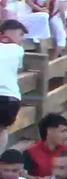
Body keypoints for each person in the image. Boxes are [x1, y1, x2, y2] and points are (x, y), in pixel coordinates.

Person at [0, 20, 27, 151]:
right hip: (10, 97)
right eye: (21, 34)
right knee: (2, 129)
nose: (22, 39)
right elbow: (19, 68)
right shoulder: (18, 50)